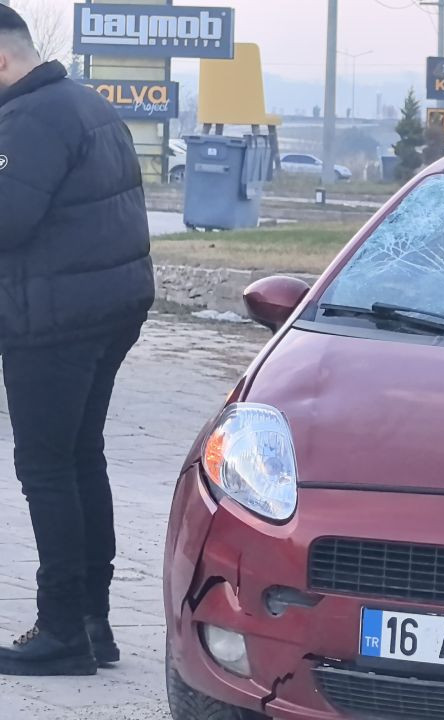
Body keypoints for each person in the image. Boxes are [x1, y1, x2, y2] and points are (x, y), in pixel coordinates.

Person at [0, 6, 154, 676]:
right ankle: (94, 624)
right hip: (106, 311)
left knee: (48, 470)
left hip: (52, 319)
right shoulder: (85, 103)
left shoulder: (30, 118)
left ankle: (62, 628)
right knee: (79, 458)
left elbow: (6, 221)